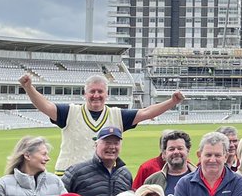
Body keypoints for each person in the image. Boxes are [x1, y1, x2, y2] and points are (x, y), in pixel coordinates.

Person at [18, 72, 184, 174]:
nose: (96, 95)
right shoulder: (70, 112)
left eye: (100, 91)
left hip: (103, 177)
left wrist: (171, 102)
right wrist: (29, 88)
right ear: (85, 93)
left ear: (107, 94)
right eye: (92, 91)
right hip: (68, 175)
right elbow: (46, 107)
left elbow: (146, 113)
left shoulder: (116, 115)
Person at [62, 126, 132, 196]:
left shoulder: (125, 174)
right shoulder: (76, 172)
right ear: (96, 144)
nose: (112, 147)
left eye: (116, 143)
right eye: (107, 142)